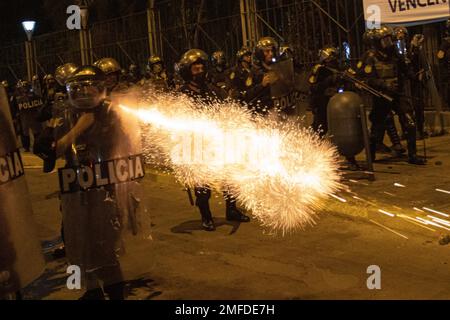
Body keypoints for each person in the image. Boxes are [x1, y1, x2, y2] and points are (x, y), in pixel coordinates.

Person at [34, 65, 150, 299]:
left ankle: (115, 292)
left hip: (106, 191)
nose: (84, 94)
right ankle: (92, 290)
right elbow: (47, 149)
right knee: (79, 244)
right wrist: (77, 128)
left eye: (89, 88)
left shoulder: (113, 114)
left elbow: (128, 148)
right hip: (76, 191)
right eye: (78, 89)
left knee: (106, 247)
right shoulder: (65, 115)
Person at [178, 49, 250, 231]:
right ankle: (206, 216)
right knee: (203, 184)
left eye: (202, 67)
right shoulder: (183, 94)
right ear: (188, 71)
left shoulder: (210, 90)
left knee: (229, 176)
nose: (200, 71)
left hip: (216, 141)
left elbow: (224, 106)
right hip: (195, 144)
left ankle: (232, 210)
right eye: (196, 68)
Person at [357, 25, 425, 165]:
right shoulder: (371, 57)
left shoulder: (394, 54)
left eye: (389, 39)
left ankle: (412, 155)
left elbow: (405, 69)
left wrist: (414, 76)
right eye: (385, 40)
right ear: (377, 42)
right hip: (382, 96)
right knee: (377, 128)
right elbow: (368, 78)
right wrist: (383, 85)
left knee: (410, 123)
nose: (388, 43)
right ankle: (371, 156)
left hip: (397, 95)